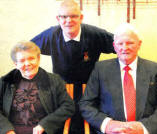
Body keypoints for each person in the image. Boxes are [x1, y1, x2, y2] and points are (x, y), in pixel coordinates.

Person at [31, 0, 115, 133]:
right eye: (64, 17)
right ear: (58, 18)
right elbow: (29, 50)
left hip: (90, 89)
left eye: (74, 16)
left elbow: (121, 46)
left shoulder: (95, 34)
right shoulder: (51, 34)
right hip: (61, 89)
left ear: (81, 17)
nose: (69, 20)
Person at [79, 23, 157, 134]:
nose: (124, 48)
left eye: (130, 43)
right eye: (120, 43)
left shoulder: (155, 70)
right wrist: (107, 124)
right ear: (114, 46)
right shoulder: (100, 69)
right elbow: (86, 104)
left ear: (139, 44)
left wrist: (143, 128)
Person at [0, 41, 75, 134]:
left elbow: (68, 106)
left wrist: (45, 124)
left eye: (31, 58)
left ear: (38, 59)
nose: (27, 64)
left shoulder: (54, 80)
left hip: (43, 131)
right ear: (16, 64)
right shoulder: (5, 82)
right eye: (22, 60)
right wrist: (7, 130)